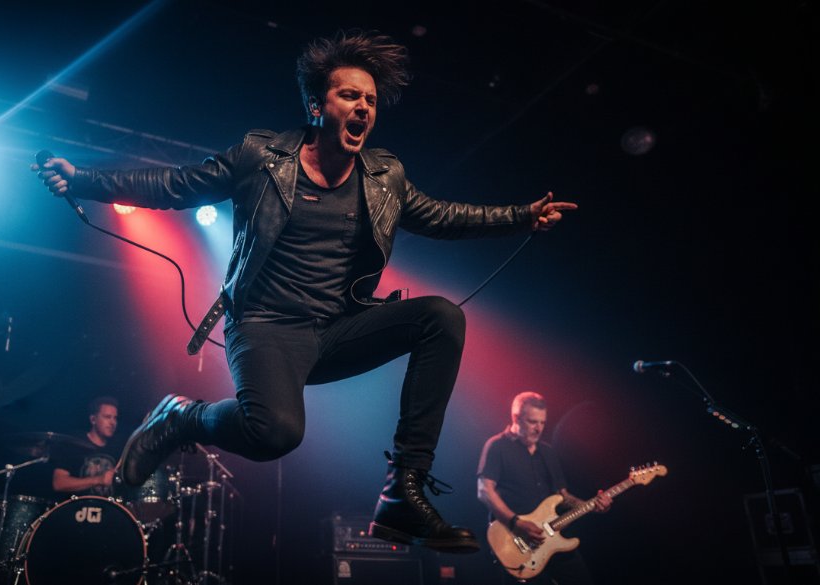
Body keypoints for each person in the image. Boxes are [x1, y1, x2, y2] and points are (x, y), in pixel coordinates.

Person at [35, 30, 576, 553]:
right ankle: (183, 417)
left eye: (370, 99)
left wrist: (521, 216)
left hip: (337, 329)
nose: (363, 107)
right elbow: (177, 185)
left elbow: (442, 216)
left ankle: (401, 491)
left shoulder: (384, 175)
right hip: (265, 325)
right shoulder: (261, 156)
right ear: (318, 105)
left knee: (441, 317)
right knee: (275, 435)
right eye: (349, 95)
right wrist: (84, 179)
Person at [476, 392, 612, 583]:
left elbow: (562, 496)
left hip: (553, 538)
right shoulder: (497, 446)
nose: (538, 429)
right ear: (516, 418)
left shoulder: (547, 451)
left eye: (542, 423)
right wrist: (516, 523)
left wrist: (593, 505)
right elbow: (484, 490)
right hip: (516, 540)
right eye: (532, 422)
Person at [49, 395, 120, 497]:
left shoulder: (116, 448)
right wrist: (98, 480)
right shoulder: (74, 443)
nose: (113, 422)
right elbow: (59, 483)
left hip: (107, 509)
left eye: (115, 418)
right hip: (77, 509)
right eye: (107, 417)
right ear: (93, 420)